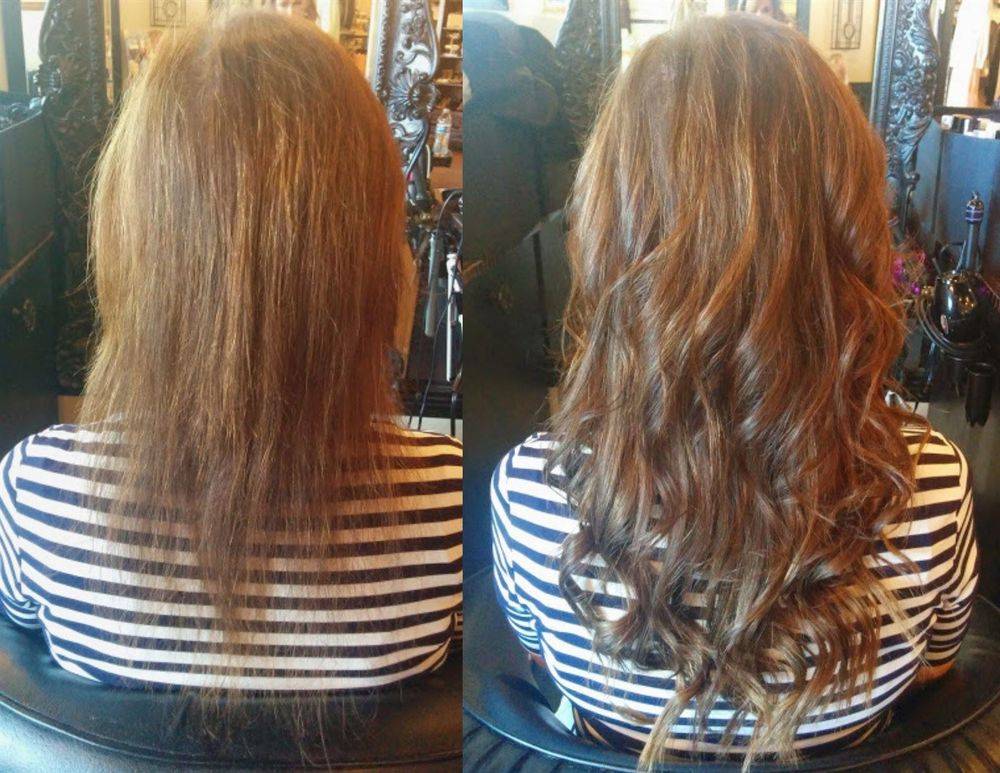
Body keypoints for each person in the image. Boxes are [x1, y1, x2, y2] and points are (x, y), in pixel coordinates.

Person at [491, 15, 978, 769]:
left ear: (615, 224)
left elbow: (539, 665)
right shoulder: (931, 483)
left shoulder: (531, 491)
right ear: (849, 221)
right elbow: (934, 675)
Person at [0, 11, 461, 694]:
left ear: (134, 244)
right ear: (368, 254)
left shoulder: (41, 493)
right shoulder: (445, 503)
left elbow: (28, 671)